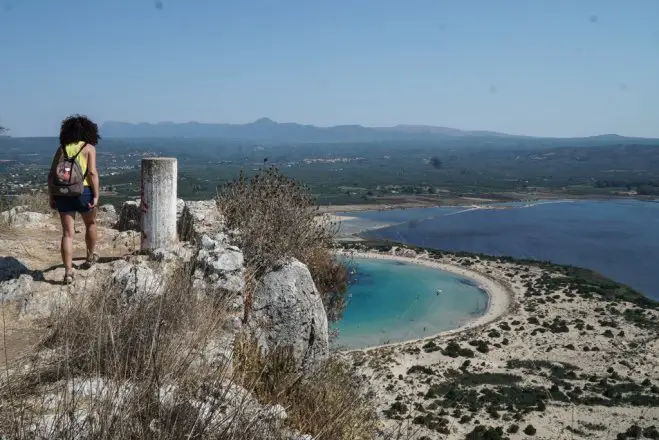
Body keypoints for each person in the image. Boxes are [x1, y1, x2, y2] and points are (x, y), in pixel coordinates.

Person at [48, 115, 100, 284]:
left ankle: (68, 271)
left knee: (67, 234)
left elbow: (51, 175)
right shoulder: (88, 148)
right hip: (83, 191)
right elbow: (92, 173)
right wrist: (96, 195)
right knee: (90, 224)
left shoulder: (61, 148)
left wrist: (52, 196)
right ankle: (90, 257)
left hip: (63, 193)